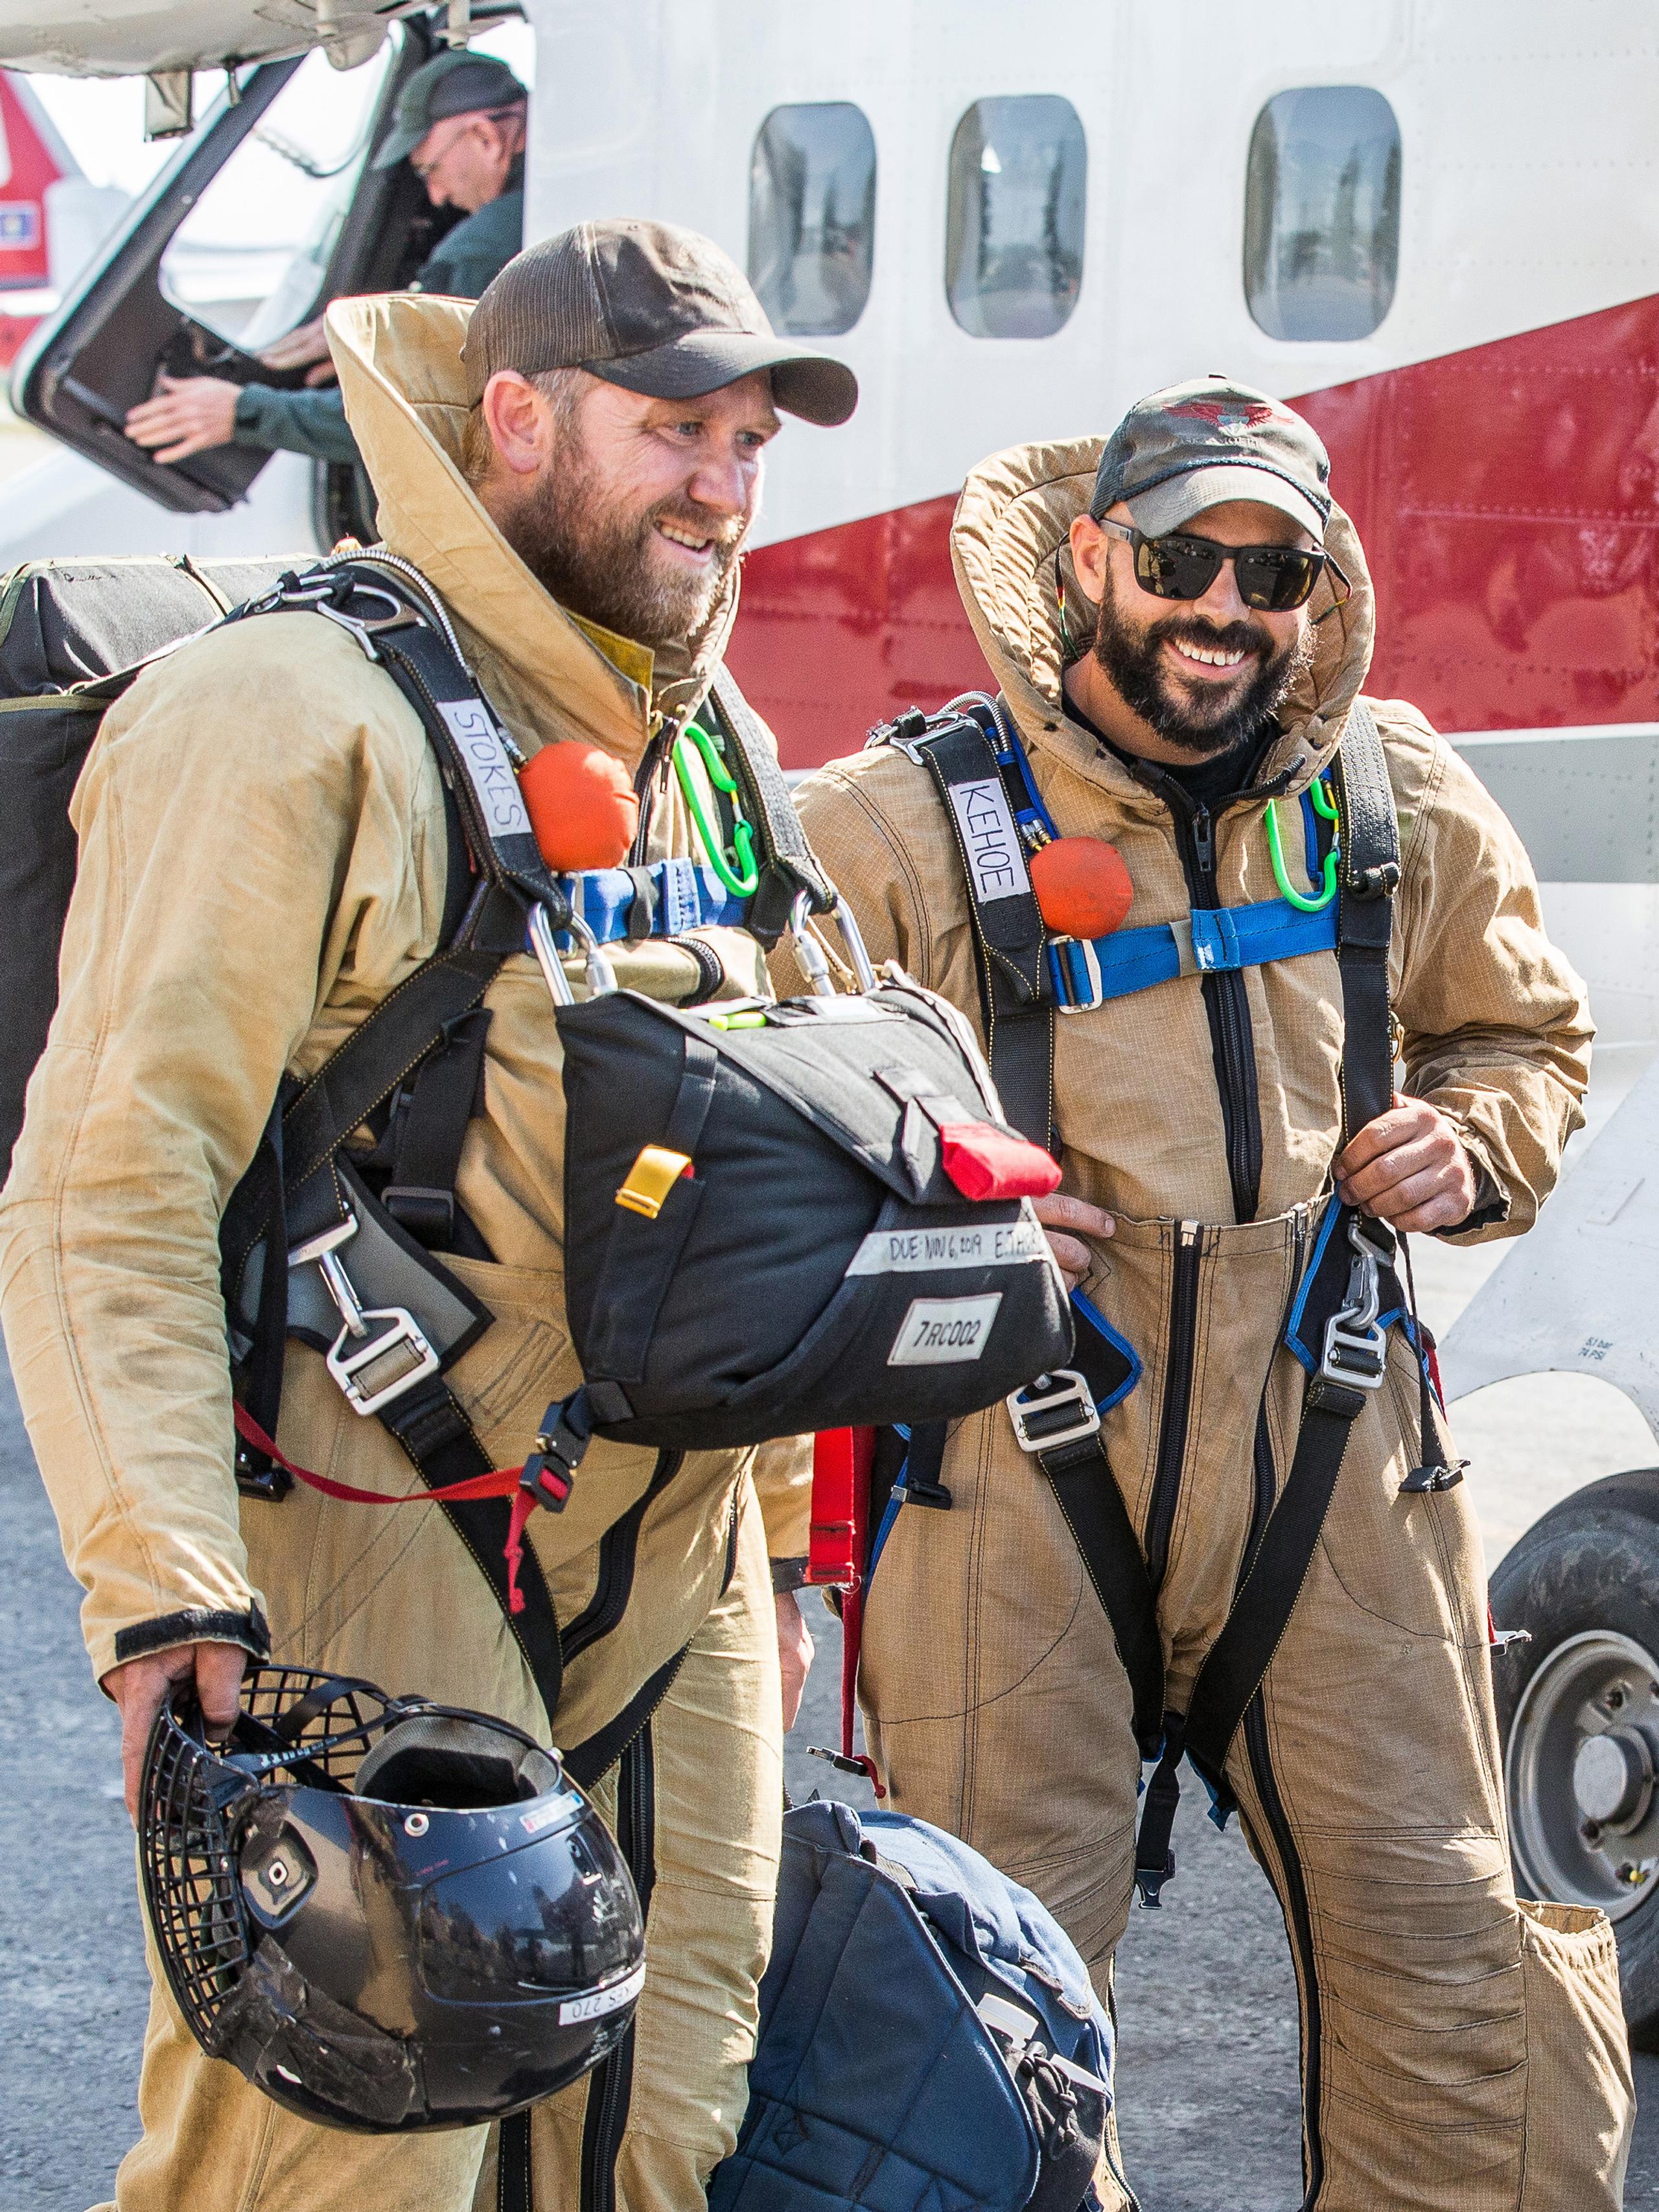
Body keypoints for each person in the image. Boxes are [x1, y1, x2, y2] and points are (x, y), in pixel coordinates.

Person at [0, 217, 855, 2212]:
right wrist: (166, 1596)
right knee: (341, 2148)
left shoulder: (705, 743)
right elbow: (111, 1176)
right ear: (517, 419)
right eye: (677, 435)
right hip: (373, 1539)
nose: (724, 489)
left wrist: (795, 1550)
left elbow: (770, 1162)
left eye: (749, 443)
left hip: (682, 1566)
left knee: (659, 2125)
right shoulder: (285, 712)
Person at [787, 380, 1634, 2209]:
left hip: (1332, 1435)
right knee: (973, 2006)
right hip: (1017, 1455)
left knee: (1451, 1967)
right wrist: (933, 1202)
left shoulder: (1392, 790)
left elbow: (1529, 1037)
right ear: (1094, 557)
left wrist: (1471, 1141)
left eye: (1272, 571)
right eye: (1180, 558)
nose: (1223, 609)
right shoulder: (907, 818)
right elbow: (752, 1096)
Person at [122, 49, 528, 473]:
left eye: (430, 169)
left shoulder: (480, 248)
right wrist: (378, 335)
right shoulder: (548, 208)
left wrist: (244, 411)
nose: (436, 196)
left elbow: (416, 417)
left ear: (485, 137)